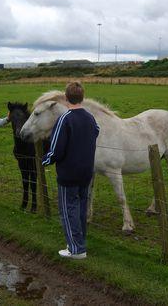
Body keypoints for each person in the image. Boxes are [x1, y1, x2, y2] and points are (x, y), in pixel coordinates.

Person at [42, 82, 99, 259]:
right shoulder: (90, 118)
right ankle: (79, 242)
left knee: (68, 210)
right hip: (86, 172)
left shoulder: (65, 119)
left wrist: (46, 160)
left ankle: (76, 249)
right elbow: (96, 132)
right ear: (82, 97)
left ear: (66, 98)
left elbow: (56, 149)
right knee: (81, 208)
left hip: (69, 173)